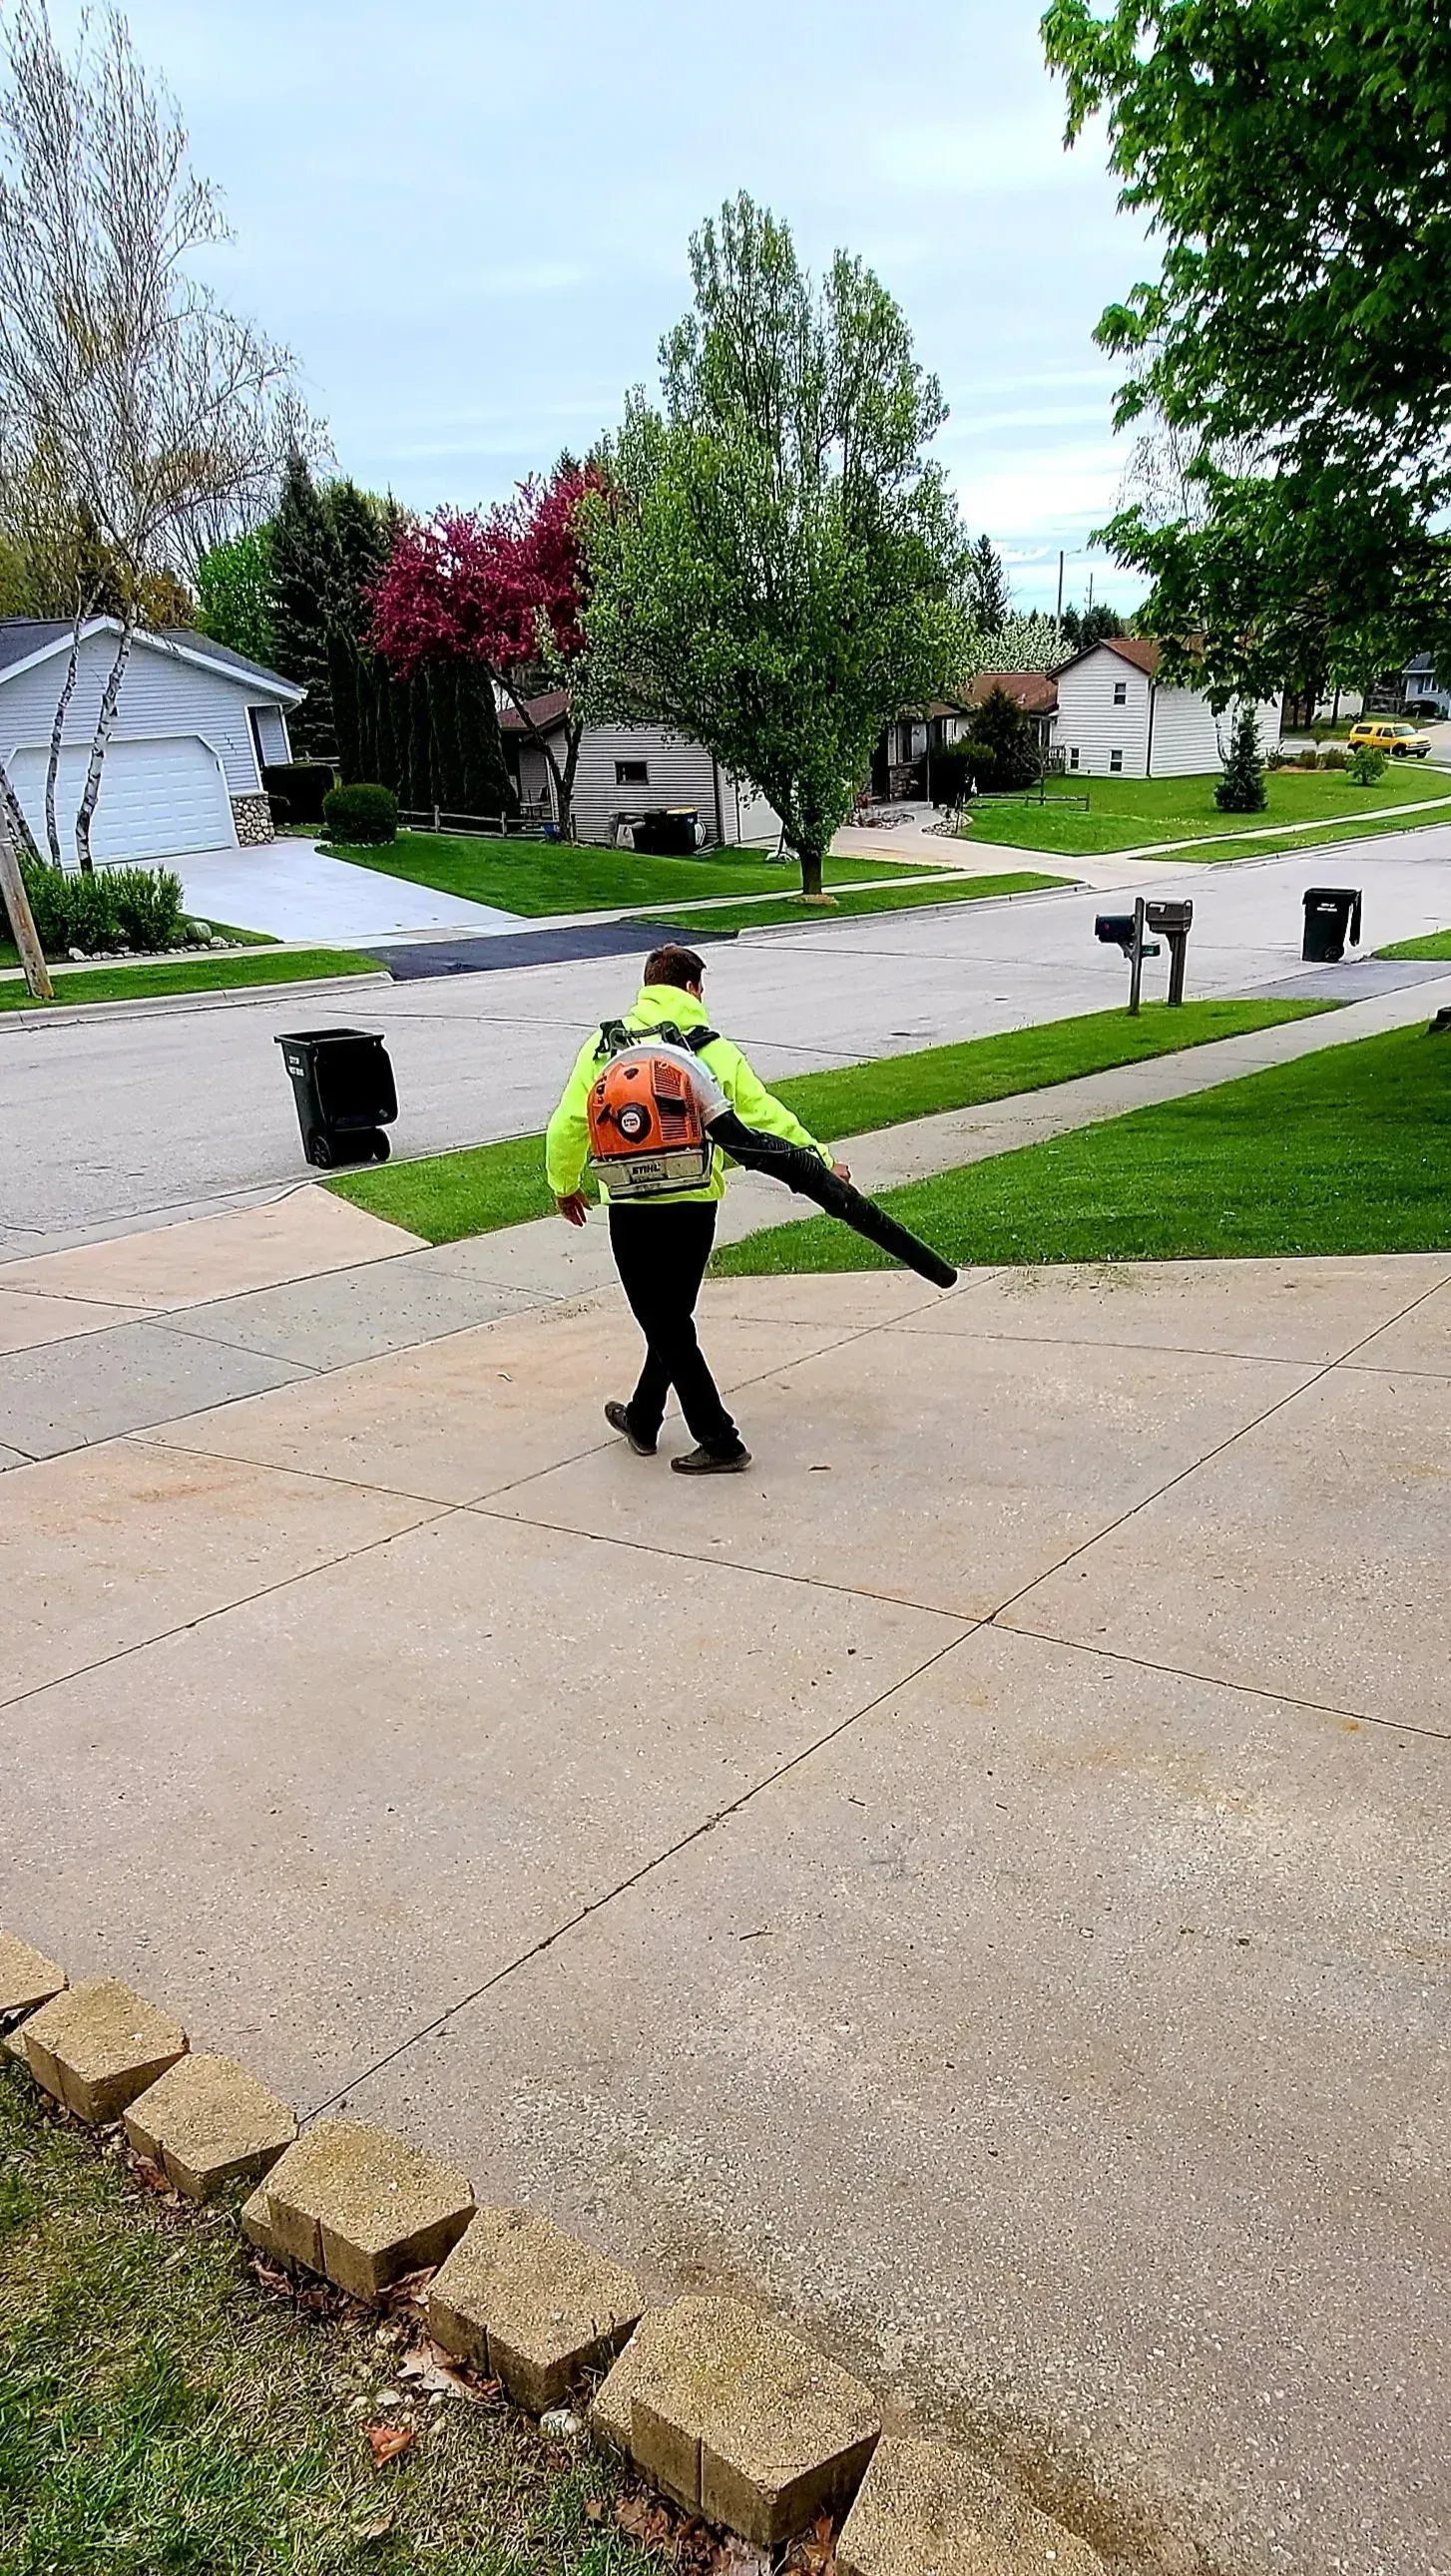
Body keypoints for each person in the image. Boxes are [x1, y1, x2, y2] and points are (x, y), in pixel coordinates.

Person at [545, 943, 848, 1475]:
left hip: (631, 1204)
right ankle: (642, 1417)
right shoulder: (712, 1049)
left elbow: (569, 1124)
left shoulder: (603, 1046)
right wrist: (820, 1161)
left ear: (647, 985)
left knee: (664, 1322)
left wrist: (565, 1183)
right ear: (693, 989)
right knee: (671, 1319)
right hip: (695, 1204)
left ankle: (720, 1439)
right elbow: (764, 1118)